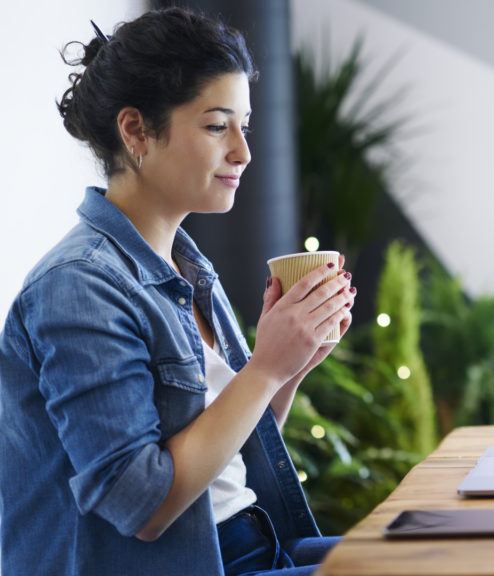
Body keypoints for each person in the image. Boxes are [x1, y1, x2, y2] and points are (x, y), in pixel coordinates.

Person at [0, 7, 356, 575]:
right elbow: (142, 504)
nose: (242, 151)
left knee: (447, 556)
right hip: (205, 562)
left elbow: (226, 458)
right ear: (136, 130)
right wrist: (264, 369)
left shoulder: (188, 267)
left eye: (245, 126)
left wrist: (293, 364)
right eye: (218, 126)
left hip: (250, 543)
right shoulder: (77, 288)